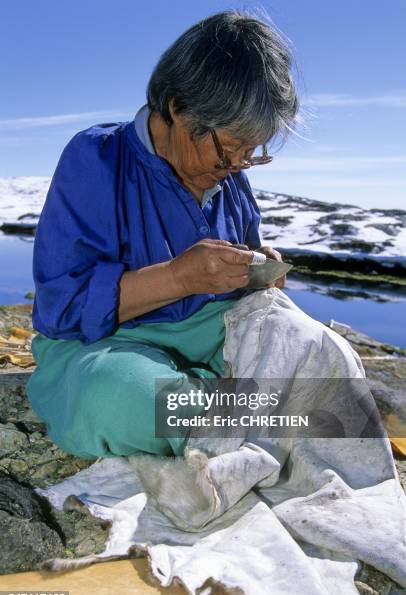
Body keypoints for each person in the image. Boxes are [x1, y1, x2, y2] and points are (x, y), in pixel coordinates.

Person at [26, 10, 299, 459]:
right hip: (110, 348)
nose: (235, 167)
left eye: (251, 153)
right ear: (177, 107)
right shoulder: (96, 159)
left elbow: (241, 260)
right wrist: (180, 277)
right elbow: (62, 309)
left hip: (211, 339)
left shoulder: (230, 176)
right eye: (229, 149)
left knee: (316, 345)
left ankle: (217, 419)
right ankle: (250, 419)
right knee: (115, 396)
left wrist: (254, 267)